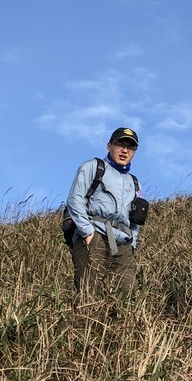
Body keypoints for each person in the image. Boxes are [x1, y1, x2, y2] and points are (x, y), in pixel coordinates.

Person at [63, 127, 143, 297]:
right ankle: (84, 323)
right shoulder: (93, 167)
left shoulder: (134, 182)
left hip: (123, 244)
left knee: (127, 296)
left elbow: (135, 219)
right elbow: (74, 200)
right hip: (95, 236)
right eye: (120, 144)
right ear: (109, 146)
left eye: (130, 147)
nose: (124, 150)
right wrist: (87, 232)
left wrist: (132, 244)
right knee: (89, 293)